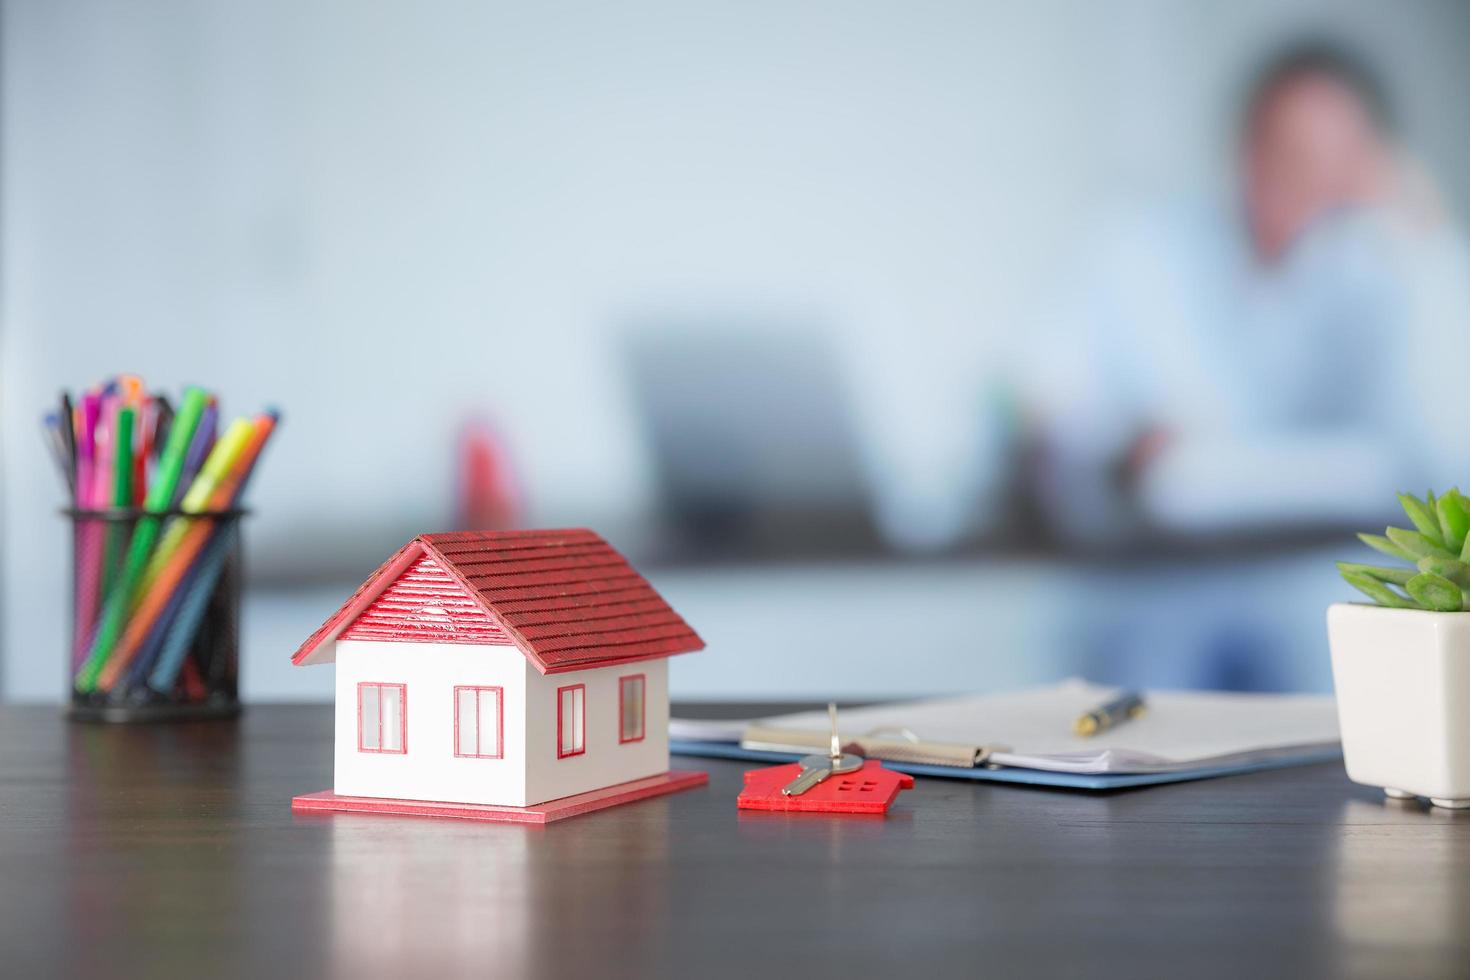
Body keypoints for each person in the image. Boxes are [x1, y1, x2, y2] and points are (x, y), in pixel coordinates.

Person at [1027, 41, 1470, 545]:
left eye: (1330, 161)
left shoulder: (1389, 269)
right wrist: (1116, 450)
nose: (1305, 181)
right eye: (1286, 153)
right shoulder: (1137, 248)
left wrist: (1426, 243)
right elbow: (1051, 410)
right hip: (1152, 578)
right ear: (1243, 149)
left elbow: (1444, 450)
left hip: (1316, 580)